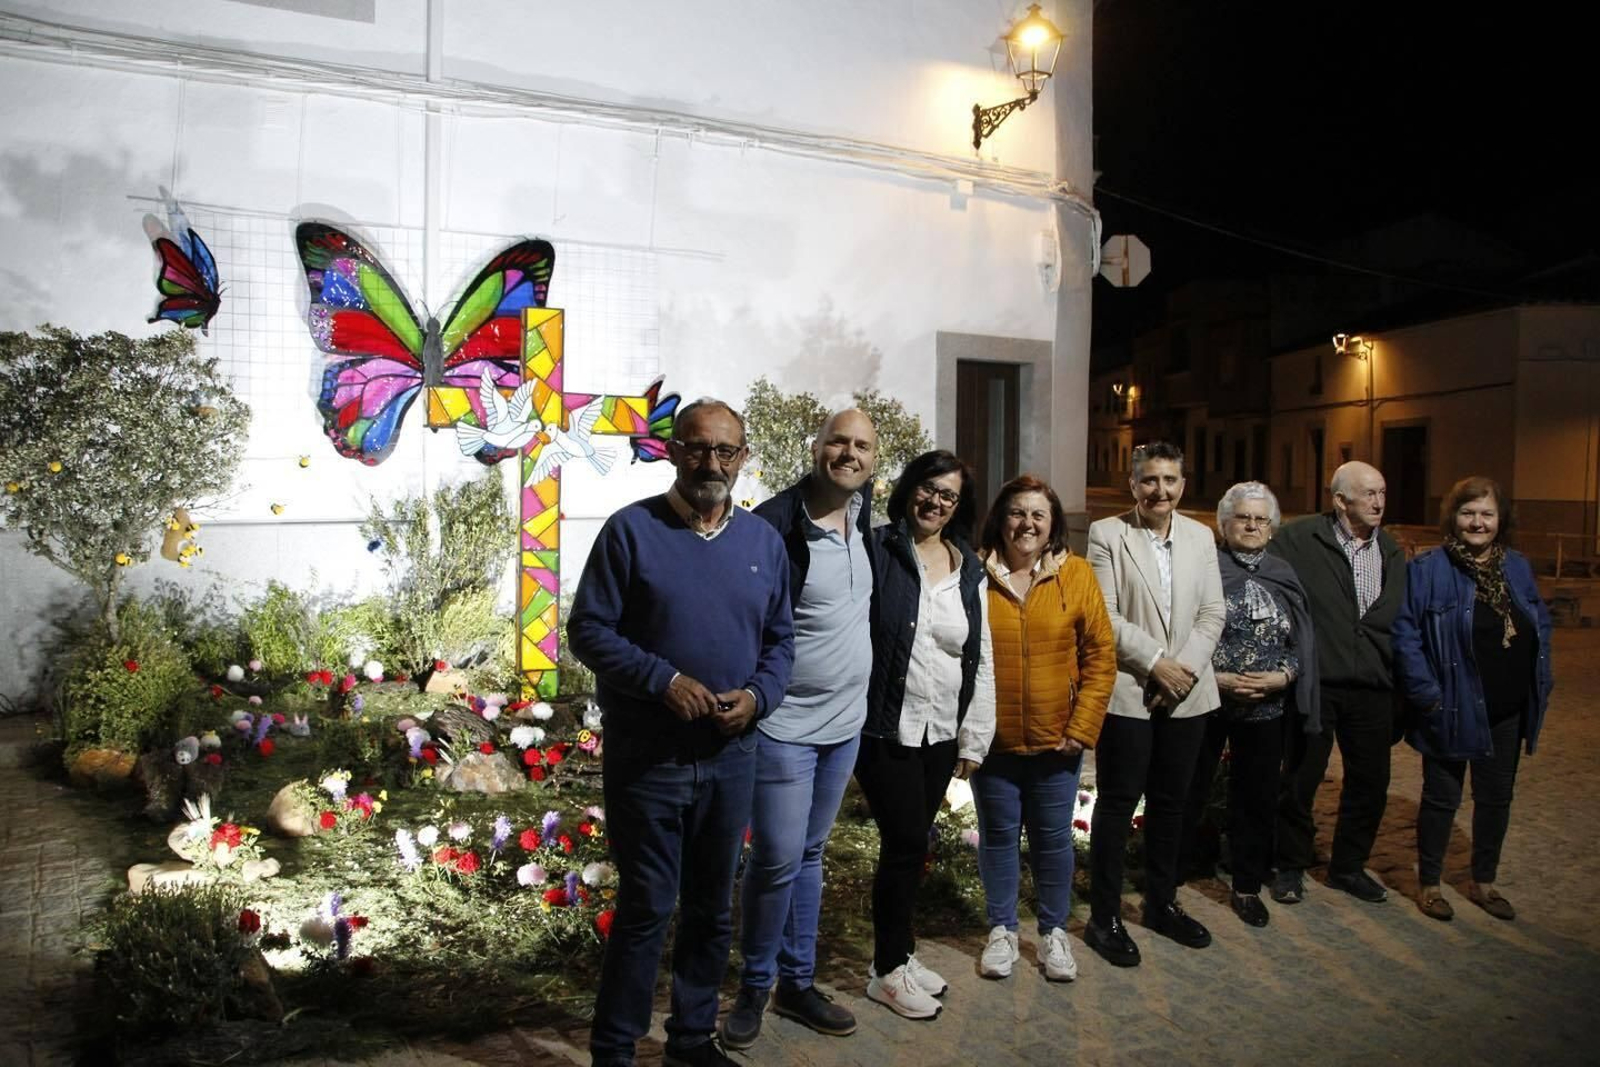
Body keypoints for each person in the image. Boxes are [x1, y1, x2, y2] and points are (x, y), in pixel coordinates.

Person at [568, 398, 795, 1067]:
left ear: (744, 457)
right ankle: (614, 1050)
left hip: (731, 757)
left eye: (726, 450)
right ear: (673, 450)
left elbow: (781, 643)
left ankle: (692, 1039)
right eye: (698, 448)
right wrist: (661, 680)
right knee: (646, 908)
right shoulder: (630, 532)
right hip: (651, 759)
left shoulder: (762, 543)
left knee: (709, 909)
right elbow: (589, 629)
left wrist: (756, 698)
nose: (712, 463)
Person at [722, 410, 878, 1049]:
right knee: (780, 857)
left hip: (846, 723)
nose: (849, 453)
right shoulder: (774, 527)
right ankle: (756, 987)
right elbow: (746, 624)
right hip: (785, 723)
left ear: (874, 459)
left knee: (808, 854)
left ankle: (797, 982)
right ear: (816, 449)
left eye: (862, 445)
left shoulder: (864, 517)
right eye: (838, 441)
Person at [856, 449, 995, 1019]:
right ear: (910, 488)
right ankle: (887, 970)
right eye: (928, 488)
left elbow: (979, 656)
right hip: (885, 727)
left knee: (911, 847)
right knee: (906, 843)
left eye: (949, 496)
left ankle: (901, 954)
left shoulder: (968, 566)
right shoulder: (877, 549)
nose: (935, 502)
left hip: (941, 730)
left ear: (959, 507)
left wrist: (974, 737)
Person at [1084, 441, 1225, 967]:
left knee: (1173, 803)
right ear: (1133, 485)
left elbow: (1212, 611)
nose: (1159, 490)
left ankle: (1162, 904)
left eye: (1169, 481)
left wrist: (1182, 670)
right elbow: (1106, 616)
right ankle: (1105, 917)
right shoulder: (1107, 534)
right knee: (1118, 805)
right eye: (1149, 480)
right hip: (1131, 691)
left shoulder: (1200, 536)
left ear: (1182, 486)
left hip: (1189, 694)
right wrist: (1157, 664)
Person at [973, 475, 1116, 982]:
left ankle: (1054, 932)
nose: (1027, 523)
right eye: (1017, 512)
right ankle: (1003, 930)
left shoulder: (1076, 574)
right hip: (995, 741)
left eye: (1038, 514)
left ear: (1053, 522)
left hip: (1060, 741)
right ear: (1000, 519)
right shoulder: (975, 574)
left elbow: (1100, 655)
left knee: (1054, 840)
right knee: (998, 838)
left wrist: (1083, 726)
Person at [1393, 476, 1553, 922]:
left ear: (1501, 520)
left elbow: (1539, 621)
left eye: (1487, 514)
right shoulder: (1428, 569)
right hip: (1451, 706)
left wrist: (1543, 677)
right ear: (1453, 518)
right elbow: (1405, 634)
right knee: (1442, 798)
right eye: (1468, 513)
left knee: (1496, 797)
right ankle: (1429, 883)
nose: (1477, 522)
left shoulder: (1516, 566)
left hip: (1507, 709)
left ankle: (1484, 881)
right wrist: (1426, 693)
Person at [1179, 481, 1319, 928]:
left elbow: (1302, 640)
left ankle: (1245, 886)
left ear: (1274, 528)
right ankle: (1170, 876)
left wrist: (1285, 676)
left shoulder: (1284, 572)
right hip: (1208, 698)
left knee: (1255, 797)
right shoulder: (1205, 570)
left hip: (1267, 706)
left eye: (1262, 519)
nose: (1253, 525)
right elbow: (1182, 634)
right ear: (1224, 524)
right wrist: (1215, 679)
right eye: (1243, 517)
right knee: (1189, 788)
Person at [1269, 461, 1406, 906]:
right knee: (1302, 778)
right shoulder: (1298, 539)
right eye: (1368, 493)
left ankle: (1348, 866)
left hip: (1372, 684)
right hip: (1317, 683)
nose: (1379, 501)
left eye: (1382, 492)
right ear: (1340, 499)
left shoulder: (1391, 551)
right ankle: (1289, 865)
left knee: (1371, 781)